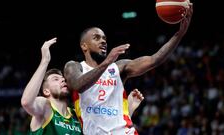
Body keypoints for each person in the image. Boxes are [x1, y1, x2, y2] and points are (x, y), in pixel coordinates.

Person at [63, 3, 193, 135]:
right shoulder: (74, 66)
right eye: (96, 38)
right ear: (84, 46)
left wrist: (179, 34)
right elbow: (77, 85)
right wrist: (107, 62)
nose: (103, 41)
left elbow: (154, 59)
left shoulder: (119, 67)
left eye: (104, 38)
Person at [21, 38, 144, 135]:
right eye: (55, 79)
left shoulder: (77, 114)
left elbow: (107, 128)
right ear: (46, 91)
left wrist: (129, 109)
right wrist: (45, 61)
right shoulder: (45, 107)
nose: (62, 80)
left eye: (63, 78)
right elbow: (26, 102)